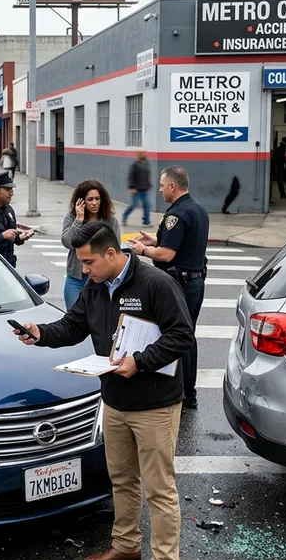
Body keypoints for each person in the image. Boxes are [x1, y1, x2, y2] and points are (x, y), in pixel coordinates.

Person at [12, 221, 193, 560]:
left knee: (159, 490)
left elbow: (182, 336)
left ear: (112, 254)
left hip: (155, 403)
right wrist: (39, 334)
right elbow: (72, 326)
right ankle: (126, 546)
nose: (85, 271)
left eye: (89, 262)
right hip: (114, 400)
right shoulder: (95, 288)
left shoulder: (155, 284)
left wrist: (140, 361)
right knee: (122, 480)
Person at [128, 166, 209, 412]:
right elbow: (182, 244)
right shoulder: (197, 209)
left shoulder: (178, 215)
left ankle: (182, 392)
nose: (161, 189)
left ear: (173, 186)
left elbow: (166, 254)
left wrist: (143, 250)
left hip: (181, 283)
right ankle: (188, 391)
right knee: (187, 336)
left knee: (176, 337)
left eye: (163, 185)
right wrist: (155, 240)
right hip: (194, 281)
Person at [61, 180, 120, 309]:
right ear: (81, 201)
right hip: (76, 279)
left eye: (97, 199)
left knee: (98, 320)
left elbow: (116, 250)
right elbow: (67, 242)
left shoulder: (110, 220)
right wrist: (78, 220)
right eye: (90, 199)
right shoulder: (72, 217)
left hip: (101, 279)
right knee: (73, 319)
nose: (94, 203)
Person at [123, 150, 152, 226]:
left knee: (147, 205)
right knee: (134, 205)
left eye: (145, 153)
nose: (144, 155)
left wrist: (149, 185)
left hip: (145, 189)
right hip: (136, 190)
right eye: (142, 154)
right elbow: (130, 177)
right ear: (139, 155)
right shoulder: (134, 165)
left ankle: (146, 221)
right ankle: (124, 216)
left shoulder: (147, 164)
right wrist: (131, 187)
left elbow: (147, 176)